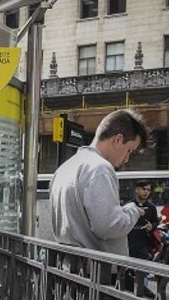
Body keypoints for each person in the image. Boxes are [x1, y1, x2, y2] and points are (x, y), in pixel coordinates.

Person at [50, 109, 151, 255]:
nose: (127, 159)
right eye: (129, 150)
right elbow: (109, 226)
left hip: (69, 266)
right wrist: (133, 210)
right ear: (117, 140)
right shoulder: (100, 168)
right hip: (95, 271)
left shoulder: (65, 168)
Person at [127, 180, 159, 260]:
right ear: (137, 190)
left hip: (144, 242)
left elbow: (156, 222)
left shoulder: (152, 207)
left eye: (148, 190)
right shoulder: (129, 206)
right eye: (144, 189)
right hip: (129, 241)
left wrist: (151, 226)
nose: (146, 192)